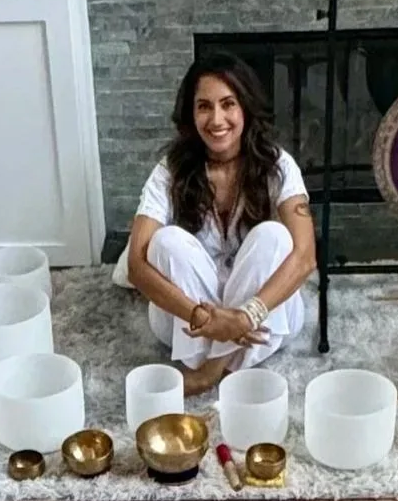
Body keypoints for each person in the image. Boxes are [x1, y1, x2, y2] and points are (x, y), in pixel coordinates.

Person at [127, 59, 318, 395]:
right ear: (191, 115)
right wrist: (203, 317)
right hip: (189, 320)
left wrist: (245, 317)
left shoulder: (278, 164)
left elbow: (305, 257)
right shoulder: (170, 170)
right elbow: (136, 266)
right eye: (204, 106)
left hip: (259, 316)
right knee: (166, 240)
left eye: (228, 104)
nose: (216, 120)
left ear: (245, 108)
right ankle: (230, 360)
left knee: (274, 236)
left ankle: (209, 370)